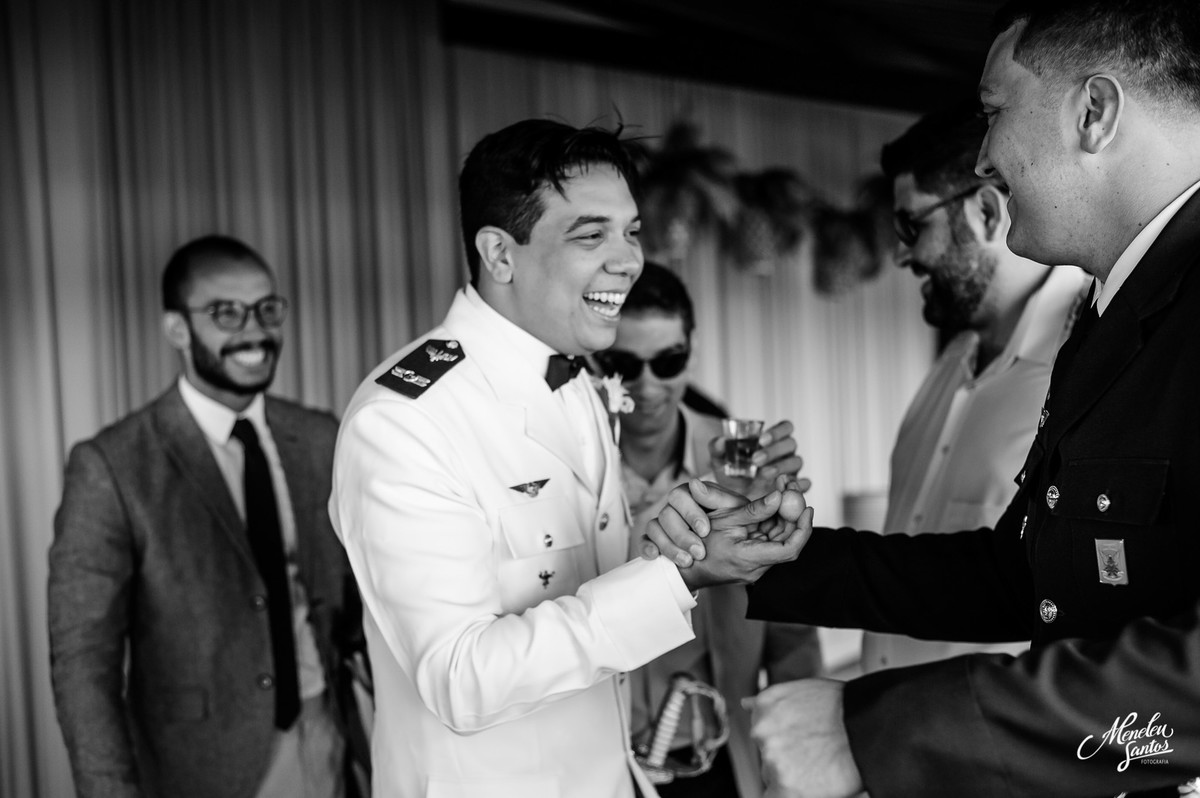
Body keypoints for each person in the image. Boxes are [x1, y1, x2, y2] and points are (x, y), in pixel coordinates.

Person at [643, 1, 1200, 795]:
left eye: (993, 113)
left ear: (1095, 113)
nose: (983, 159)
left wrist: (878, 730)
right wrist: (791, 554)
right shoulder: (1112, 312)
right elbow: (1026, 576)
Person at [328, 119, 807, 798]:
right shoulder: (405, 421)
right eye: (591, 235)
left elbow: (590, 569)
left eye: (632, 231)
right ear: (500, 254)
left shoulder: (578, 384)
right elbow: (461, 678)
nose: (629, 260)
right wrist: (677, 576)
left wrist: (704, 521)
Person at [49, 235, 361, 798]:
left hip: (327, 740)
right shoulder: (112, 466)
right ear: (177, 329)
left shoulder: (320, 436)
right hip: (200, 766)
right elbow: (83, 663)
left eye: (268, 308)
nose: (255, 330)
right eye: (226, 312)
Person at [861, 102, 1091, 674]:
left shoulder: (1087, 368)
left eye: (912, 225)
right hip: (886, 733)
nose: (900, 253)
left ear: (987, 213)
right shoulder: (950, 366)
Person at [598, 261, 823, 798]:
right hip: (601, 767)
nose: (649, 384)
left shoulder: (741, 460)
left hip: (721, 761)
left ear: (691, 350)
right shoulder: (576, 461)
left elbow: (791, 627)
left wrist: (803, 755)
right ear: (600, 362)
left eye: (668, 360)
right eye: (627, 363)